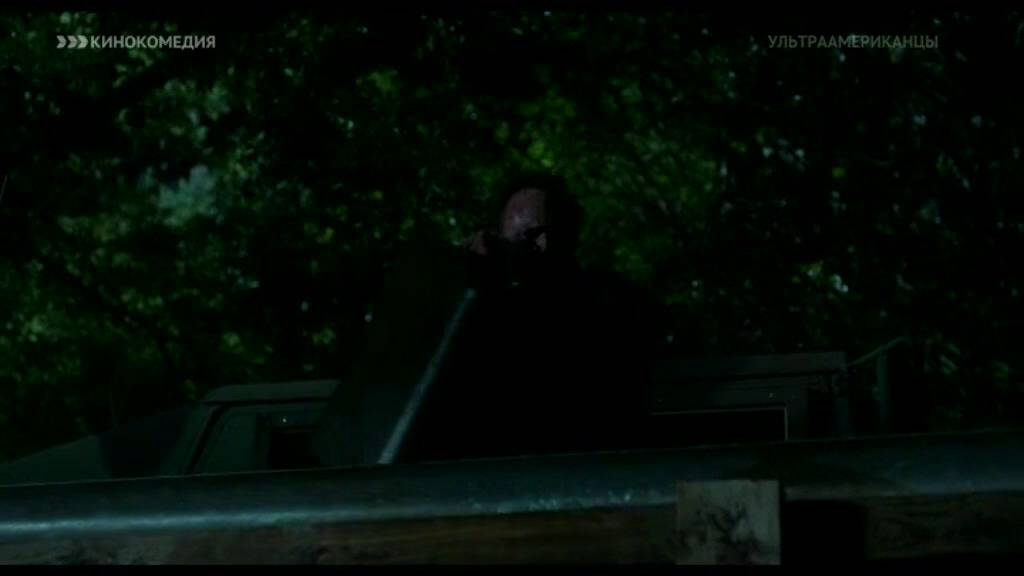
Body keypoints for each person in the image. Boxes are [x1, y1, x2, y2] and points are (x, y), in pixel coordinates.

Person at [398, 173, 665, 461]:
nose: (535, 246)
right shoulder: (492, 313)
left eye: (540, 233)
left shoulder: (608, 298)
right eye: (519, 238)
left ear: (568, 233)